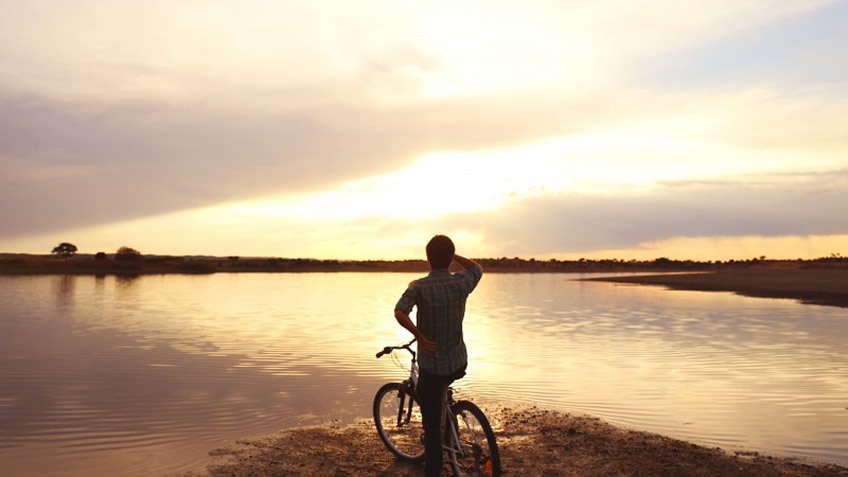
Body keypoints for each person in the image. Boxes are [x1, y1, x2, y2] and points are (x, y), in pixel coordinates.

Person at [393, 235, 483, 477]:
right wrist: (455, 257)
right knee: (441, 392)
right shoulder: (462, 282)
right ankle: (450, 421)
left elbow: (400, 312)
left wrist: (418, 335)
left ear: (427, 258)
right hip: (458, 362)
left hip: (432, 367)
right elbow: (477, 268)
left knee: (430, 424)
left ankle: (434, 469)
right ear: (450, 258)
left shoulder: (419, 287)